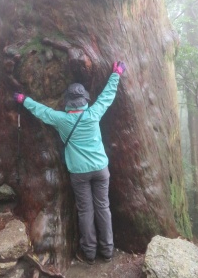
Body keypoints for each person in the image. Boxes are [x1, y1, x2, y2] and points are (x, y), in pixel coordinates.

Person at [13, 60, 126, 265]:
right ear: (84, 100)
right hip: (101, 169)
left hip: (79, 173)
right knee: (103, 208)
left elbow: (41, 110)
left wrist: (23, 99)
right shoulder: (93, 114)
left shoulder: (61, 119)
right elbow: (107, 96)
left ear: (68, 101)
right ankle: (108, 251)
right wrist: (116, 73)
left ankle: (89, 253)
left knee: (85, 211)